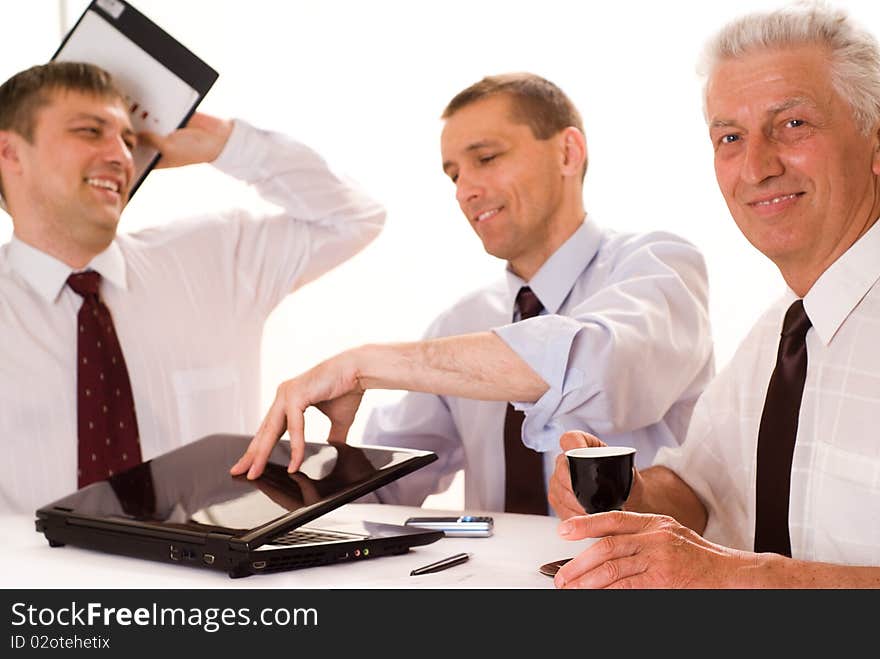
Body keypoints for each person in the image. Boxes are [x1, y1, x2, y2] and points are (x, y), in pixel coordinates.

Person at [233, 73, 714, 515]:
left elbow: (599, 367)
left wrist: (363, 366)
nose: (465, 190)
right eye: (454, 175)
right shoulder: (460, 326)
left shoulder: (657, 267)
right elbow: (390, 486)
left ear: (568, 153)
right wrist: (270, 483)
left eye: (486, 159)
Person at [548, 3, 880, 588]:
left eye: (793, 124)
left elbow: (733, 573)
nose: (756, 166)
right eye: (730, 136)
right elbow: (699, 489)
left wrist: (739, 581)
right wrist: (624, 492)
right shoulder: (782, 331)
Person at [0, 61, 385, 512]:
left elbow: (354, 218)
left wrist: (225, 144)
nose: (121, 155)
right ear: (10, 153)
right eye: (90, 131)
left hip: (208, 578)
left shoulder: (214, 259)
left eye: (128, 139)